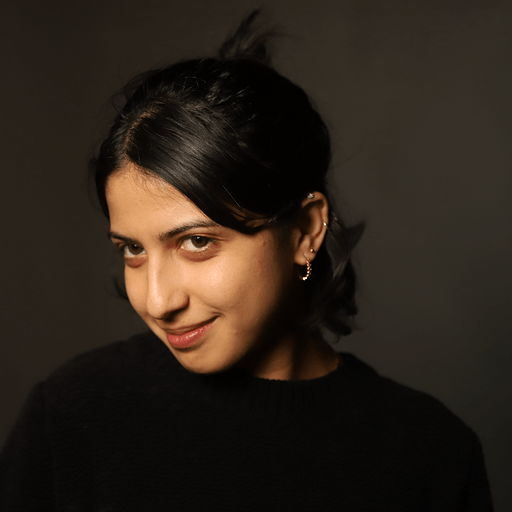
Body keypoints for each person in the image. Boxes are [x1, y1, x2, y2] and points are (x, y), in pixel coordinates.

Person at [0, 11, 492, 511]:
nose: (158, 301)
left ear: (305, 231)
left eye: (196, 242)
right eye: (133, 249)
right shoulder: (71, 416)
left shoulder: (431, 454)